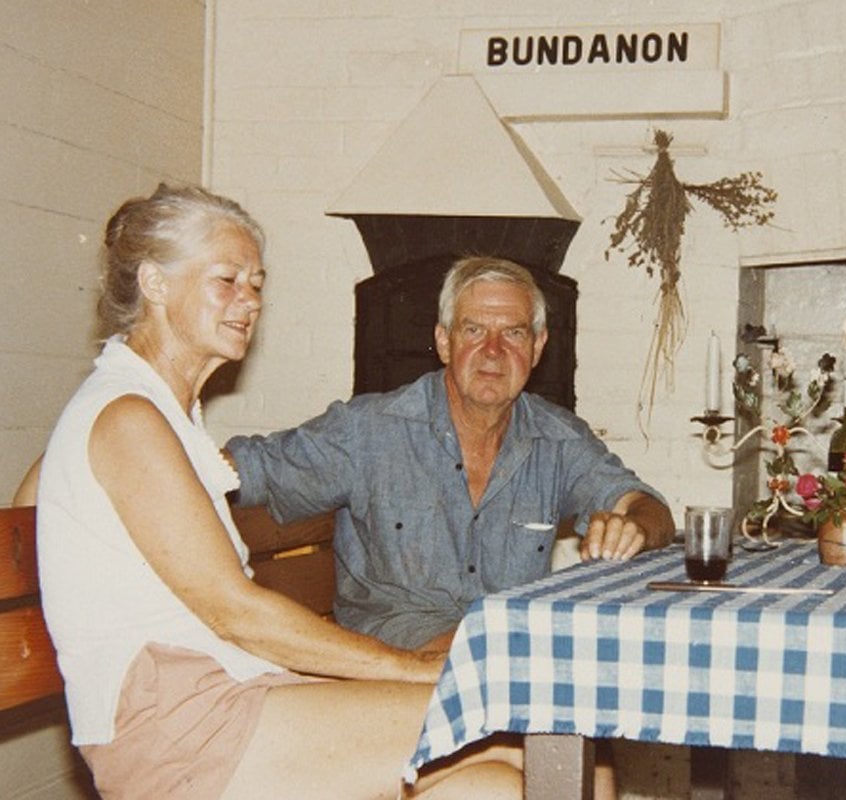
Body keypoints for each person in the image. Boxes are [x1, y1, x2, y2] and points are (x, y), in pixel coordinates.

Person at [33, 184, 521, 799]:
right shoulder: (129, 415)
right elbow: (236, 612)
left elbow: (49, 484)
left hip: (233, 691)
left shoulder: (154, 412)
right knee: (518, 735)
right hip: (177, 729)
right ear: (155, 284)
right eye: (227, 280)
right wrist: (410, 667)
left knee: (492, 786)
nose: (249, 301)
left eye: (257, 283)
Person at [225, 256, 676, 652]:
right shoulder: (368, 430)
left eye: (513, 333)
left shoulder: (558, 440)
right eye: (474, 330)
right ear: (444, 342)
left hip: (502, 643)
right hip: (394, 652)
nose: (493, 351)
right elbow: (244, 468)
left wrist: (633, 525)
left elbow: (647, 507)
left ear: (537, 348)